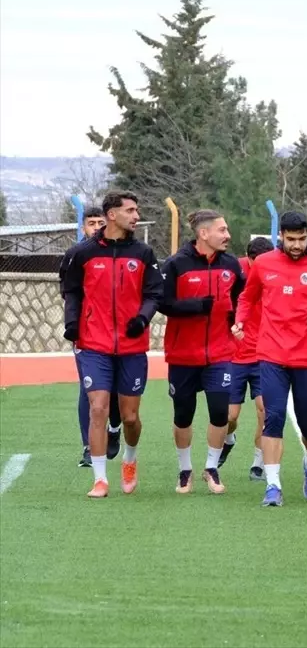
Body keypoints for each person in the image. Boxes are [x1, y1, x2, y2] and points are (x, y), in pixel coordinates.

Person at [232, 211, 307, 507]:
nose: (297, 245)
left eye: (302, 239)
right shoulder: (263, 264)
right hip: (271, 355)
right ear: (281, 238)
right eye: (291, 240)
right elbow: (247, 298)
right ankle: (273, 486)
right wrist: (240, 320)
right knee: (272, 418)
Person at [61, 190, 162, 498]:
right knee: (98, 409)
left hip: (132, 346)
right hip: (94, 344)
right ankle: (100, 479)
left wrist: (142, 319)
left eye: (137, 210)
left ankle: (129, 461)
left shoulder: (143, 253)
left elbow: (154, 293)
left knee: (130, 417)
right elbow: (72, 291)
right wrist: (73, 324)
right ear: (112, 215)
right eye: (131, 210)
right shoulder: (84, 252)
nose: (136, 215)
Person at [159, 210, 244, 495]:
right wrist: (197, 306)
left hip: (221, 354)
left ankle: (211, 467)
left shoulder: (232, 266)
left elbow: (241, 300)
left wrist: (238, 322)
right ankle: (185, 470)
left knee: (221, 413)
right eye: (222, 230)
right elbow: (163, 303)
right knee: (183, 414)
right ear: (203, 233)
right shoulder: (176, 264)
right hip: (183, 355)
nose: (227, 235)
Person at [60, 206, 122, 468]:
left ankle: (115, 428)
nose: (96, 226)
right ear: (82, 228)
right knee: (89, 391)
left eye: (100, 222)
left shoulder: (121, 251)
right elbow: (69, 292)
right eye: (91, 223)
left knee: (119, 391)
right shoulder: (77, 255)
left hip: (120, 335)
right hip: (88, 335)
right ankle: (89, 446)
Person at [228, 237, 274, 480]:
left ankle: (258, 462)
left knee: (263, 411)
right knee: (229, 417)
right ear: (248, 258)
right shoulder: (234, 270)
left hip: (263, 355)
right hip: (234, 357)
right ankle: (228, 438)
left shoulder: (277, 274)